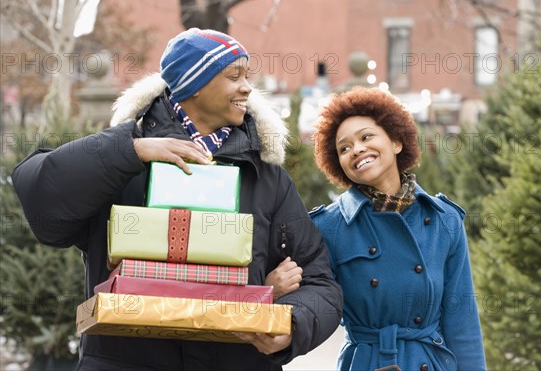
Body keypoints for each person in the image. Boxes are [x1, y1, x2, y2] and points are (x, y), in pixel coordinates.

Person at [11, 28, 342, 371]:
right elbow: (42, 202)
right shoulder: (120, 163)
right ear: (193, 84)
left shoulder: (268, 178)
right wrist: (131, 150)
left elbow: (321, 284)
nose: (248, 87)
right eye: (234, 76)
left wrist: (292, 325)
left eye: (248, 76)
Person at [309, 86, 487, 371]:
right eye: (344, 148)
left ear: (395, 142)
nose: (357, 149)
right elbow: (312, 304)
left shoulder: (445, 220)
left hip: (430, 362)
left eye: (366, 137)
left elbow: (462, 323)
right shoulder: (328, 227)